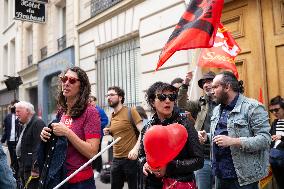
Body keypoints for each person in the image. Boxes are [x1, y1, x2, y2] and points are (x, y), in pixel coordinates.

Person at [200, 71, 271, 189]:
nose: (212, 91)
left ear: (227, 87)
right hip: (220, 175)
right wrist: (207, 136)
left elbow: (265, 139)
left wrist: (234, 141)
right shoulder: (217, 109)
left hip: (243, 178)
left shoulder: (252, 107)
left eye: (215, 87)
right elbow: (221, 135)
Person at [40, 66, 101, 189]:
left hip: (80, 182)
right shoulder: (62, 111)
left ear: (81, 87)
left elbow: (92, 152)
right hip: (59, 177)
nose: (66, 83)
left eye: (72, 81)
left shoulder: (90, 112)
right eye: (64, 79)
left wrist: (67, 132)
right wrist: (46, 134)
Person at [138, 82, 204, 189]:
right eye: (162, 97)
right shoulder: (148, 127)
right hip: (153, 184)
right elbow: (141, 155)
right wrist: (144, 164)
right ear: (152, 102)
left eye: (172, 97)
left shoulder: (184, 124)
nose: (168, 101)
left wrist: (168, 167)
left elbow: (198, 161)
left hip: (180, 184)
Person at [177, 71, 217, 189]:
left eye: (210, 81)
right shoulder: (200, 102)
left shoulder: (225, 103)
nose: (206, 85)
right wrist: (185, 84)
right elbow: (181, 105)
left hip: (221, 156)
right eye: (204, 82)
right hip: (203, 156)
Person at [103, 86, 143, 189]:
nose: (108, 97)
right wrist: (109, 131)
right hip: (116, 159)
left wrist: (135, 149)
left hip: (131, 159)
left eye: (112, 95)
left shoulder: (131, 111)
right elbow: (119, 133)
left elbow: (144, 131)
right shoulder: (111, 115)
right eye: (107, 95)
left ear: (120, 97)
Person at [15, 101, 46, 189]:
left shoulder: (37, 123)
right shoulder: (25, 124)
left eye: (18, 111)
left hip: (31, 169)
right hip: (24, 166)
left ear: (27, 111)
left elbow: (39, 146)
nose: (16, 114)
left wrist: (35, 167)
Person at [89, 95, 109, 178]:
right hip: (90, 135)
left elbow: (105, 120)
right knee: (91, 152)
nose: (90, 102)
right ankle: (93, 169)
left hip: (98, 135)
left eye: (91, 101)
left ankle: (98, 169)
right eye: (89, 101)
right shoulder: (88, 110)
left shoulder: (99, 110)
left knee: (97, 152)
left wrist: (96, 125)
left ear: (95, 101)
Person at [1, 99, 22, 175]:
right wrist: (2, 141)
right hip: (10, 141)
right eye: (14, 107)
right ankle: (14, 175)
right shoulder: (8, 117)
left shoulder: (20, 117)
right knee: (13, 159)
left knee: (18, 158)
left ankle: (17, 173)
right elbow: (6, 130)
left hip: (18, 142)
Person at [268, 95, 284, 189]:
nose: (274, 113)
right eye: (271, 111)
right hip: (274, 158)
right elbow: (270, 138)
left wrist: (281, 137)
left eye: (276, 110)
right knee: (279, 183)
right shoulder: (275, 122)